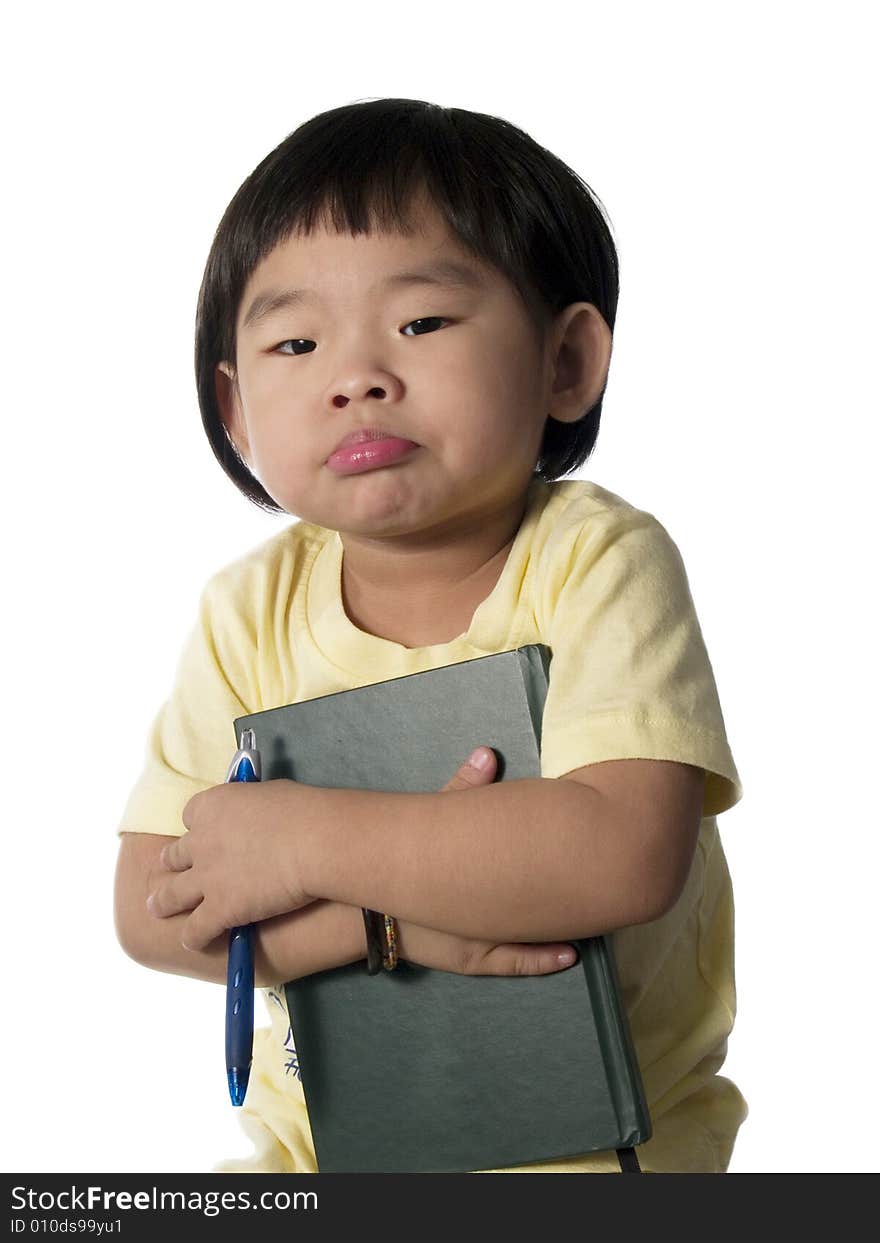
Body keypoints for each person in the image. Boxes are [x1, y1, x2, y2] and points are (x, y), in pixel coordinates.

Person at [114, 98, 745, 1174]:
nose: (353, 377)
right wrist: (388, 927)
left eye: (422, 324)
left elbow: (619, 853)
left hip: (594, 1158)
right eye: (295, 341)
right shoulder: (247, 610)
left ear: (565, 361)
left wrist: (296, 841)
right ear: (236, 410)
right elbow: (154, 907)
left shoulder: (596, 561)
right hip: (316, 1156)